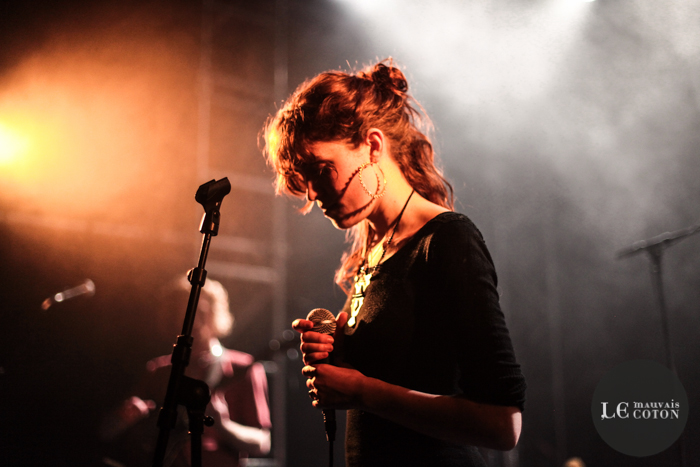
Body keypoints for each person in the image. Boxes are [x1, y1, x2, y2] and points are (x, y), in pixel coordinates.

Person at [262, 59, 526, 466]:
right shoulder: (374, 252)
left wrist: (360, 390)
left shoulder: (447, 240)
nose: (312, 194)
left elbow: (503, 424)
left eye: (321, 169)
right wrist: (341, 358)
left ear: (372, 145)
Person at [100, 277, 271, 467]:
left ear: (215, 314)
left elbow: (262, 442)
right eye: (185, 314)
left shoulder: (244, 367)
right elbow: (108, 431)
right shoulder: (159, 370)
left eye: (201, 313)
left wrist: (223, 425)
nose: (194, 322)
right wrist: (126, 418)